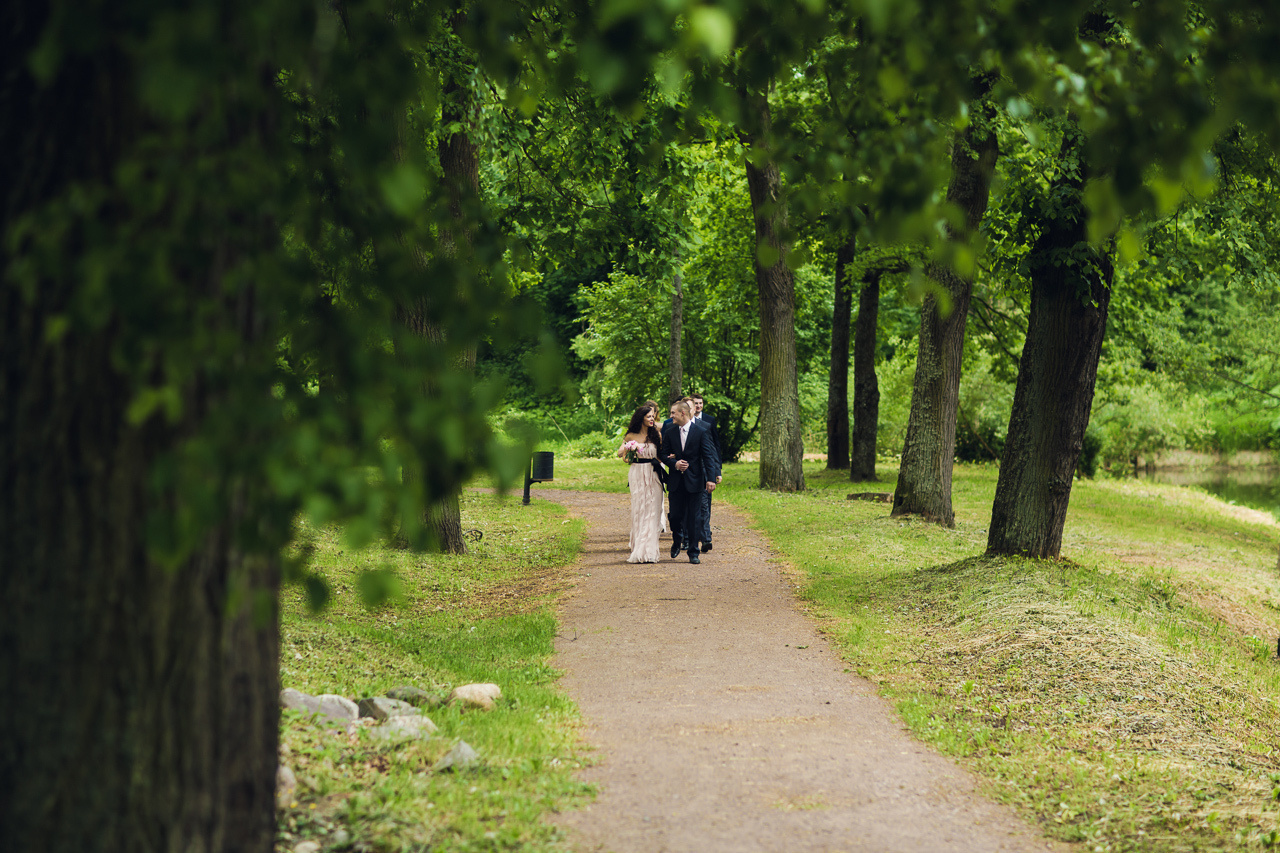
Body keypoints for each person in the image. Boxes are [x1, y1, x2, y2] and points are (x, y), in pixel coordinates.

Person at [660, 399, 720, 564]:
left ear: (682, 413)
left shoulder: (701, 432)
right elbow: (663, 455)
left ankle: (694, 552)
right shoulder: (670, 432)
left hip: (695, 481)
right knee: (675, 516)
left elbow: (708, 456)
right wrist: (675, 463)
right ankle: (677, 538)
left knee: (695, 517)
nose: (671, 416)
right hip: (676, 482)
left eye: (673, 413)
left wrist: (711, 479)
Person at [617, 405, 665, 563]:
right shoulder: (631, 436)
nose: (652, 419)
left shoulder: (656, 434)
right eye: (649, 417)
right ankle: (639, 548)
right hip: (637, 473)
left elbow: (660, 456)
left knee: (654, 510)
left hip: (653, 473)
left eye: (653, 416)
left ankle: (649, 551)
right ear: (641, 418)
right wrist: (630, 452)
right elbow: (622, 457)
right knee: (640, 510)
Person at [690, 393, 723, 552]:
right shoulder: (675, 425)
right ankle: (686, 537)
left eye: (699, 403)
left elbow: (713, 449)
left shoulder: (706, 425)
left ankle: (706, 538)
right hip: (686, 473)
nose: (697, 406)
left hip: (704, 472)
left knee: (704, 506)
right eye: (694, 404)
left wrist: (716, 470)